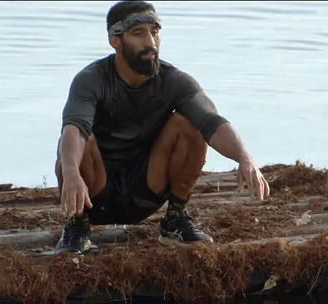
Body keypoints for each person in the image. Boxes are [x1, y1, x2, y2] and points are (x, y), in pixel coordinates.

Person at [54, 0, 269, 254]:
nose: (150, 42)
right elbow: (74, 129)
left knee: (188, 124)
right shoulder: (91, 80)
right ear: (115, 40)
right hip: (94, 196)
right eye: (138, 34)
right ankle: (78, 227)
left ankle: (174, 220)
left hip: (147, 189)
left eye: (154, 32)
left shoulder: (175, 82)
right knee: (79, 136)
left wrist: (244, 157)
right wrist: (70, 173)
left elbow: (212, 122)